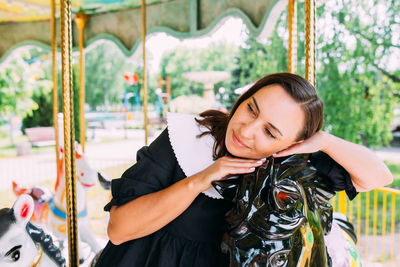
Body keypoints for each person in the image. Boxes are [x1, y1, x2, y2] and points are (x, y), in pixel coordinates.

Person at [95, 73, 393, 267]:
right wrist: (200, 180)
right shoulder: (188, 137)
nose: (246, 131)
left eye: (270, 132)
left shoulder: (285, 165)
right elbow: (119, 230)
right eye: (251, 108)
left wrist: (324, 141)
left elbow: (378, 177)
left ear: (291, 143)